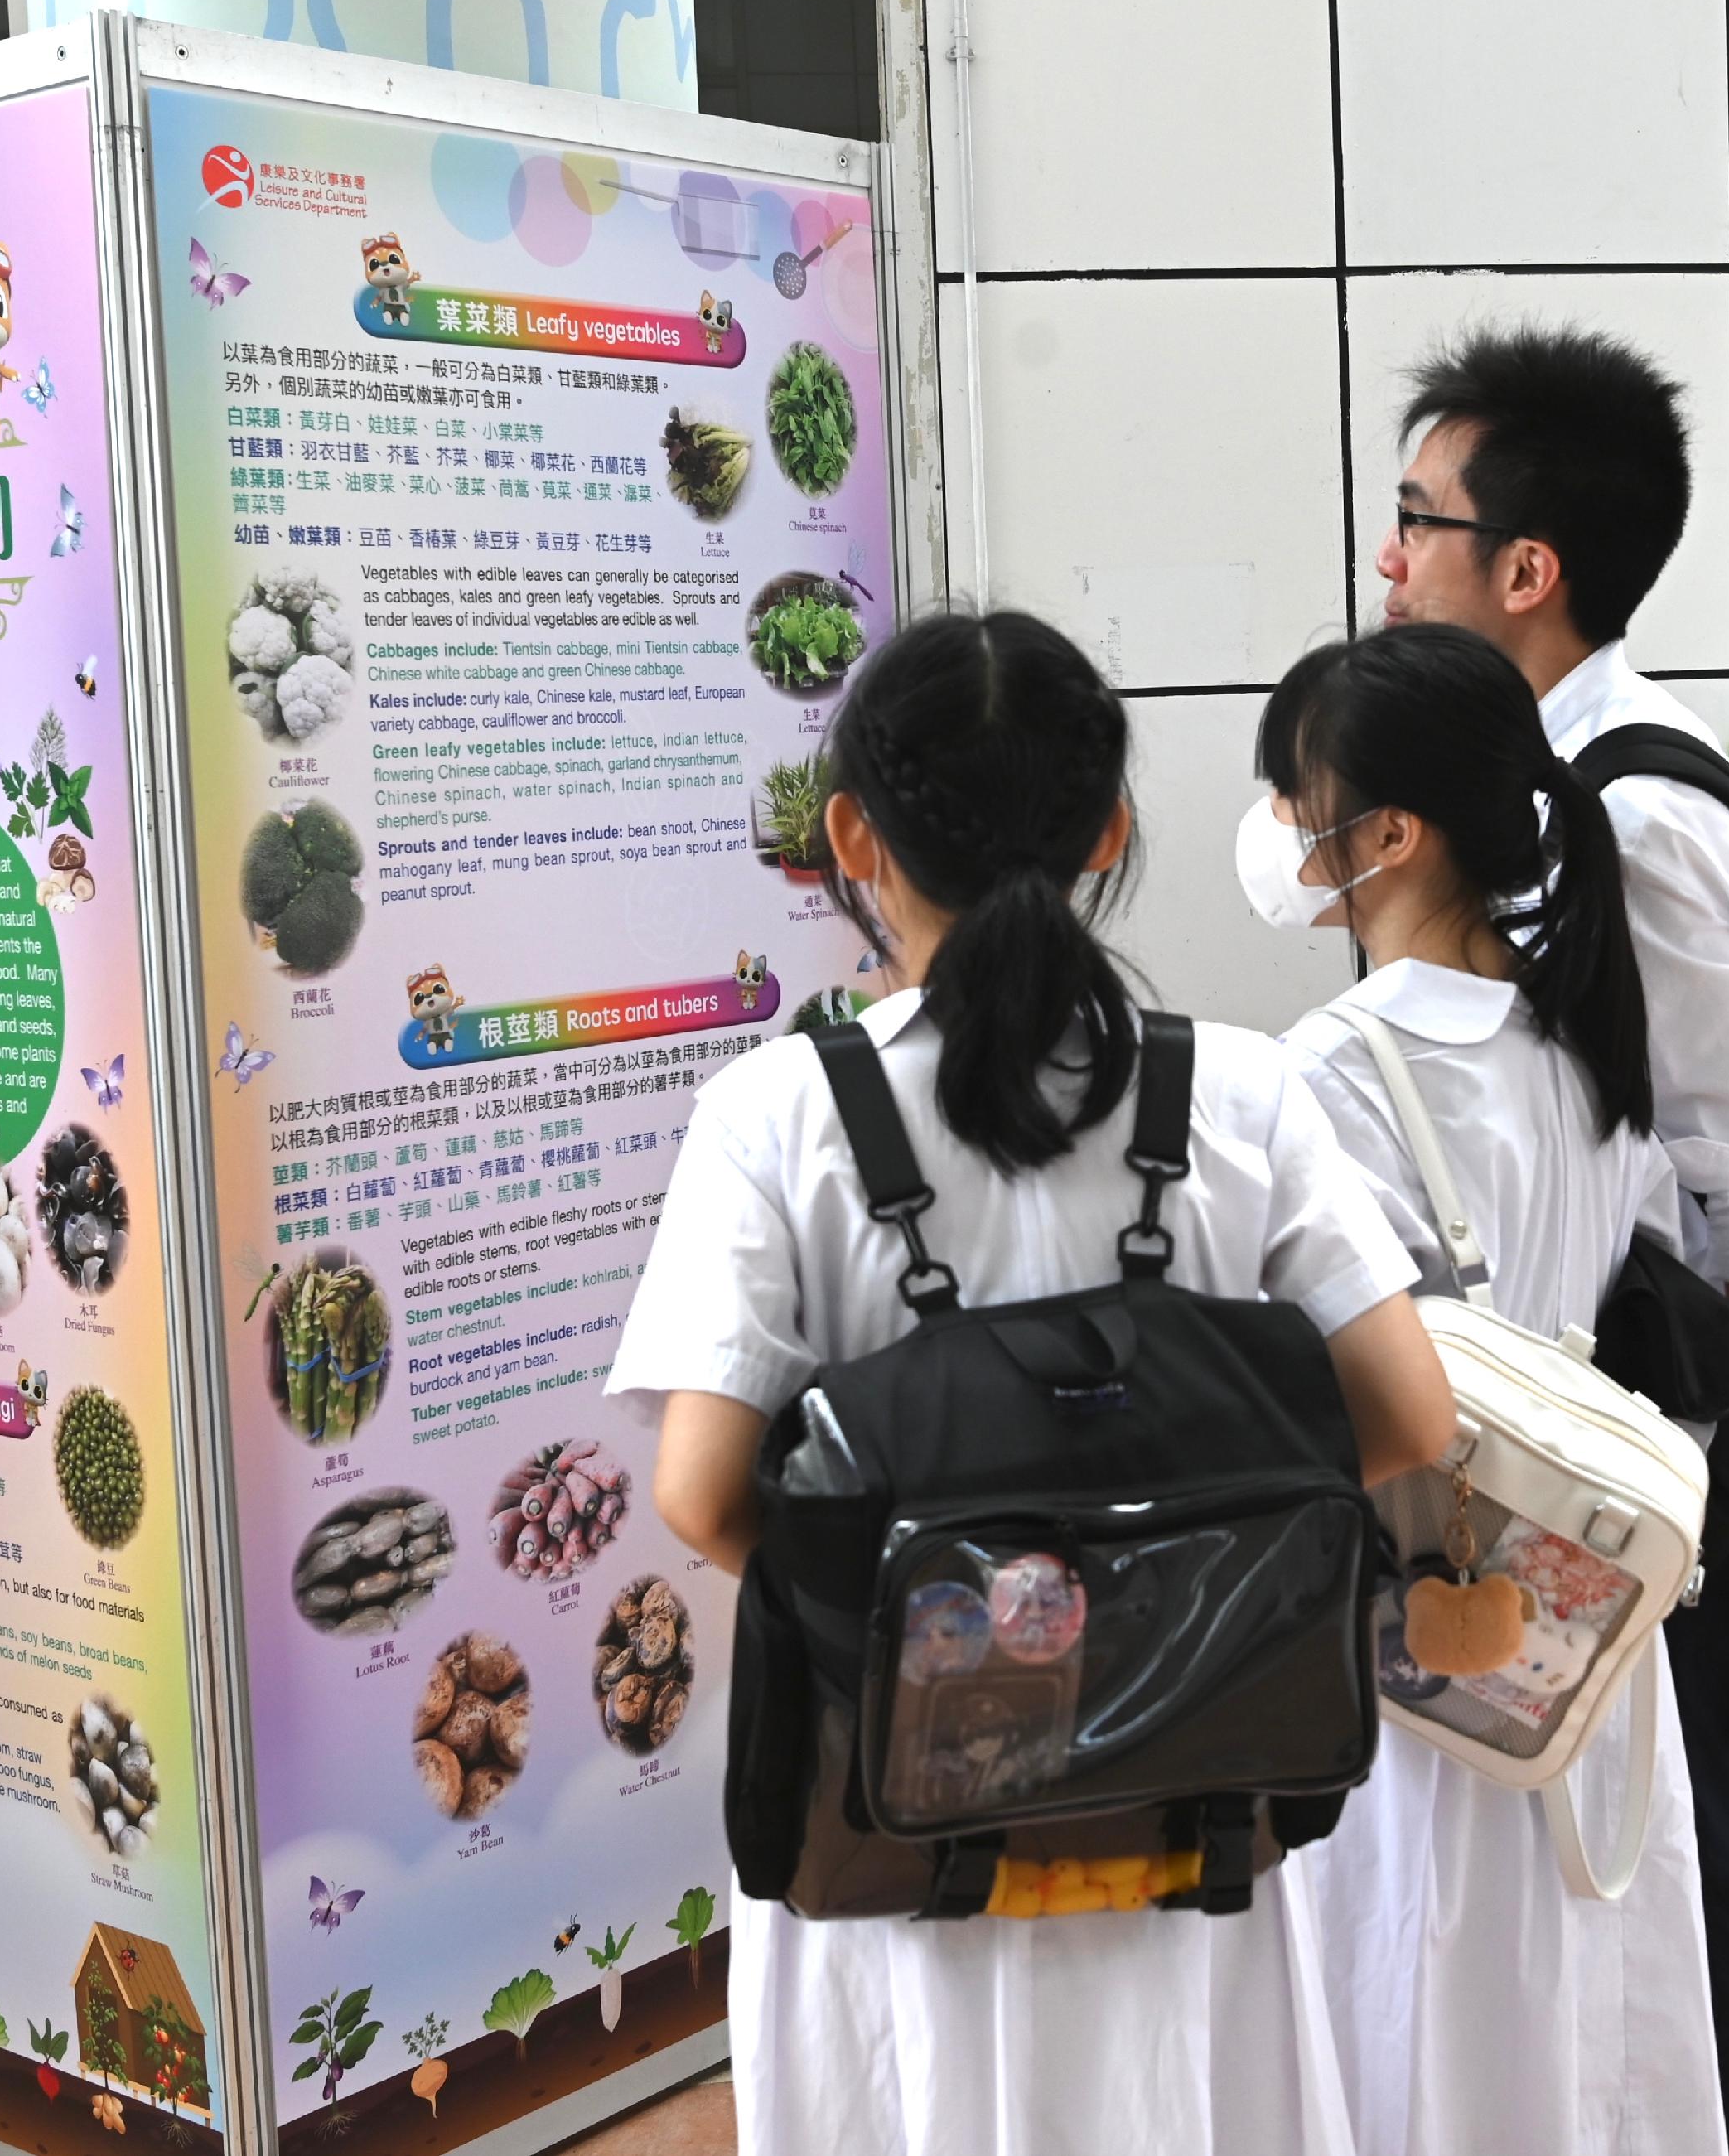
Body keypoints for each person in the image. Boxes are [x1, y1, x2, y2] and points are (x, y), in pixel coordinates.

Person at [606, 608, 1459, 2156]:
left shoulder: (777, 1115)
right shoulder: (1238, 1090)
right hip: (1192, 1823)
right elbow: (1409, 1419)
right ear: (1112, 829)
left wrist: (951, 1626)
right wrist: (1156, 1603)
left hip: (890, 1840)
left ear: (852, 836)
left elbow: (702, 1492)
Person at [1376, 324, 1729, 2153]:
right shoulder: (1510, 782)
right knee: (1597, 1860)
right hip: (1567, 1432)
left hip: (1669, 1442)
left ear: (1523, 566)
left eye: (1413, 519)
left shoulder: (1634, 814)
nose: (1387, 558)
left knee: (1704, 1871)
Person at [1244, 622, 1724, 2154]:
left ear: (1387, 833)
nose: (1277, 832)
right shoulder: (1587, 1031)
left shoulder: (1325, 1070)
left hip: (1418, 1625)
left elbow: (1319, 1383)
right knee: (1600, 2014)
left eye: (1290, 797)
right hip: (1590, 1618)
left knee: (1422, 2002)